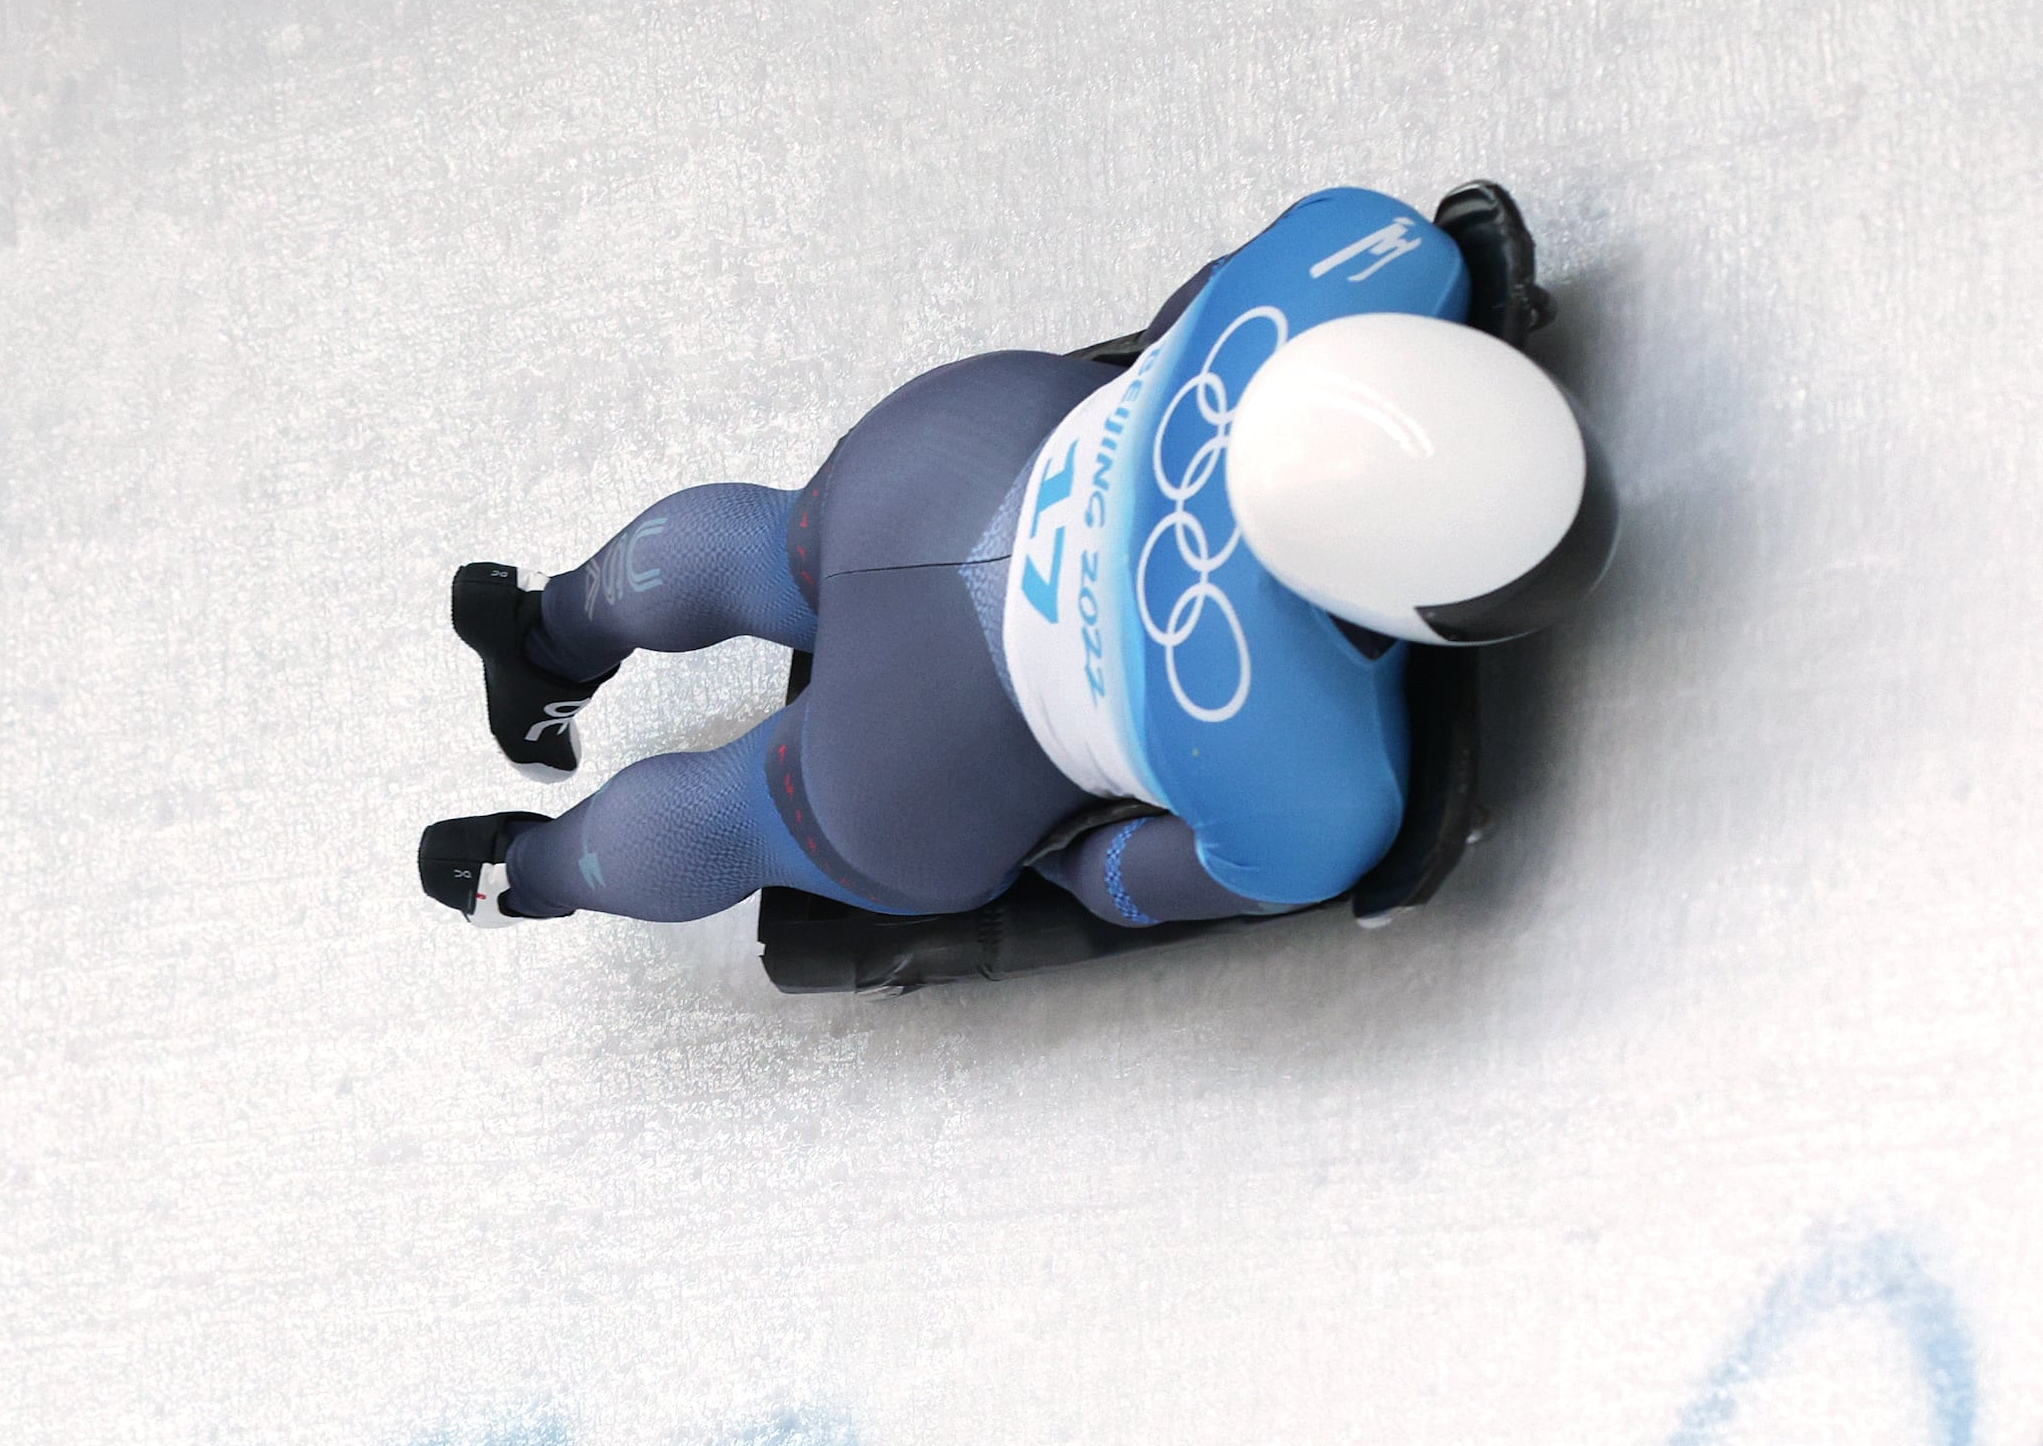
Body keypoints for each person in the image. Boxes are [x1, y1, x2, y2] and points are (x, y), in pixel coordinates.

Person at [415, 182, 1613, 956]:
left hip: (954, 455)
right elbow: (1110, 885)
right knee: (740, 815)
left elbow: (1184, 308)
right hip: (919, 748)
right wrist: (1059, 833)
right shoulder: (1313, 798)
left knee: (772, 544)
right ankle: (518, 869)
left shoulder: (1365, 246)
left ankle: (546, 624)